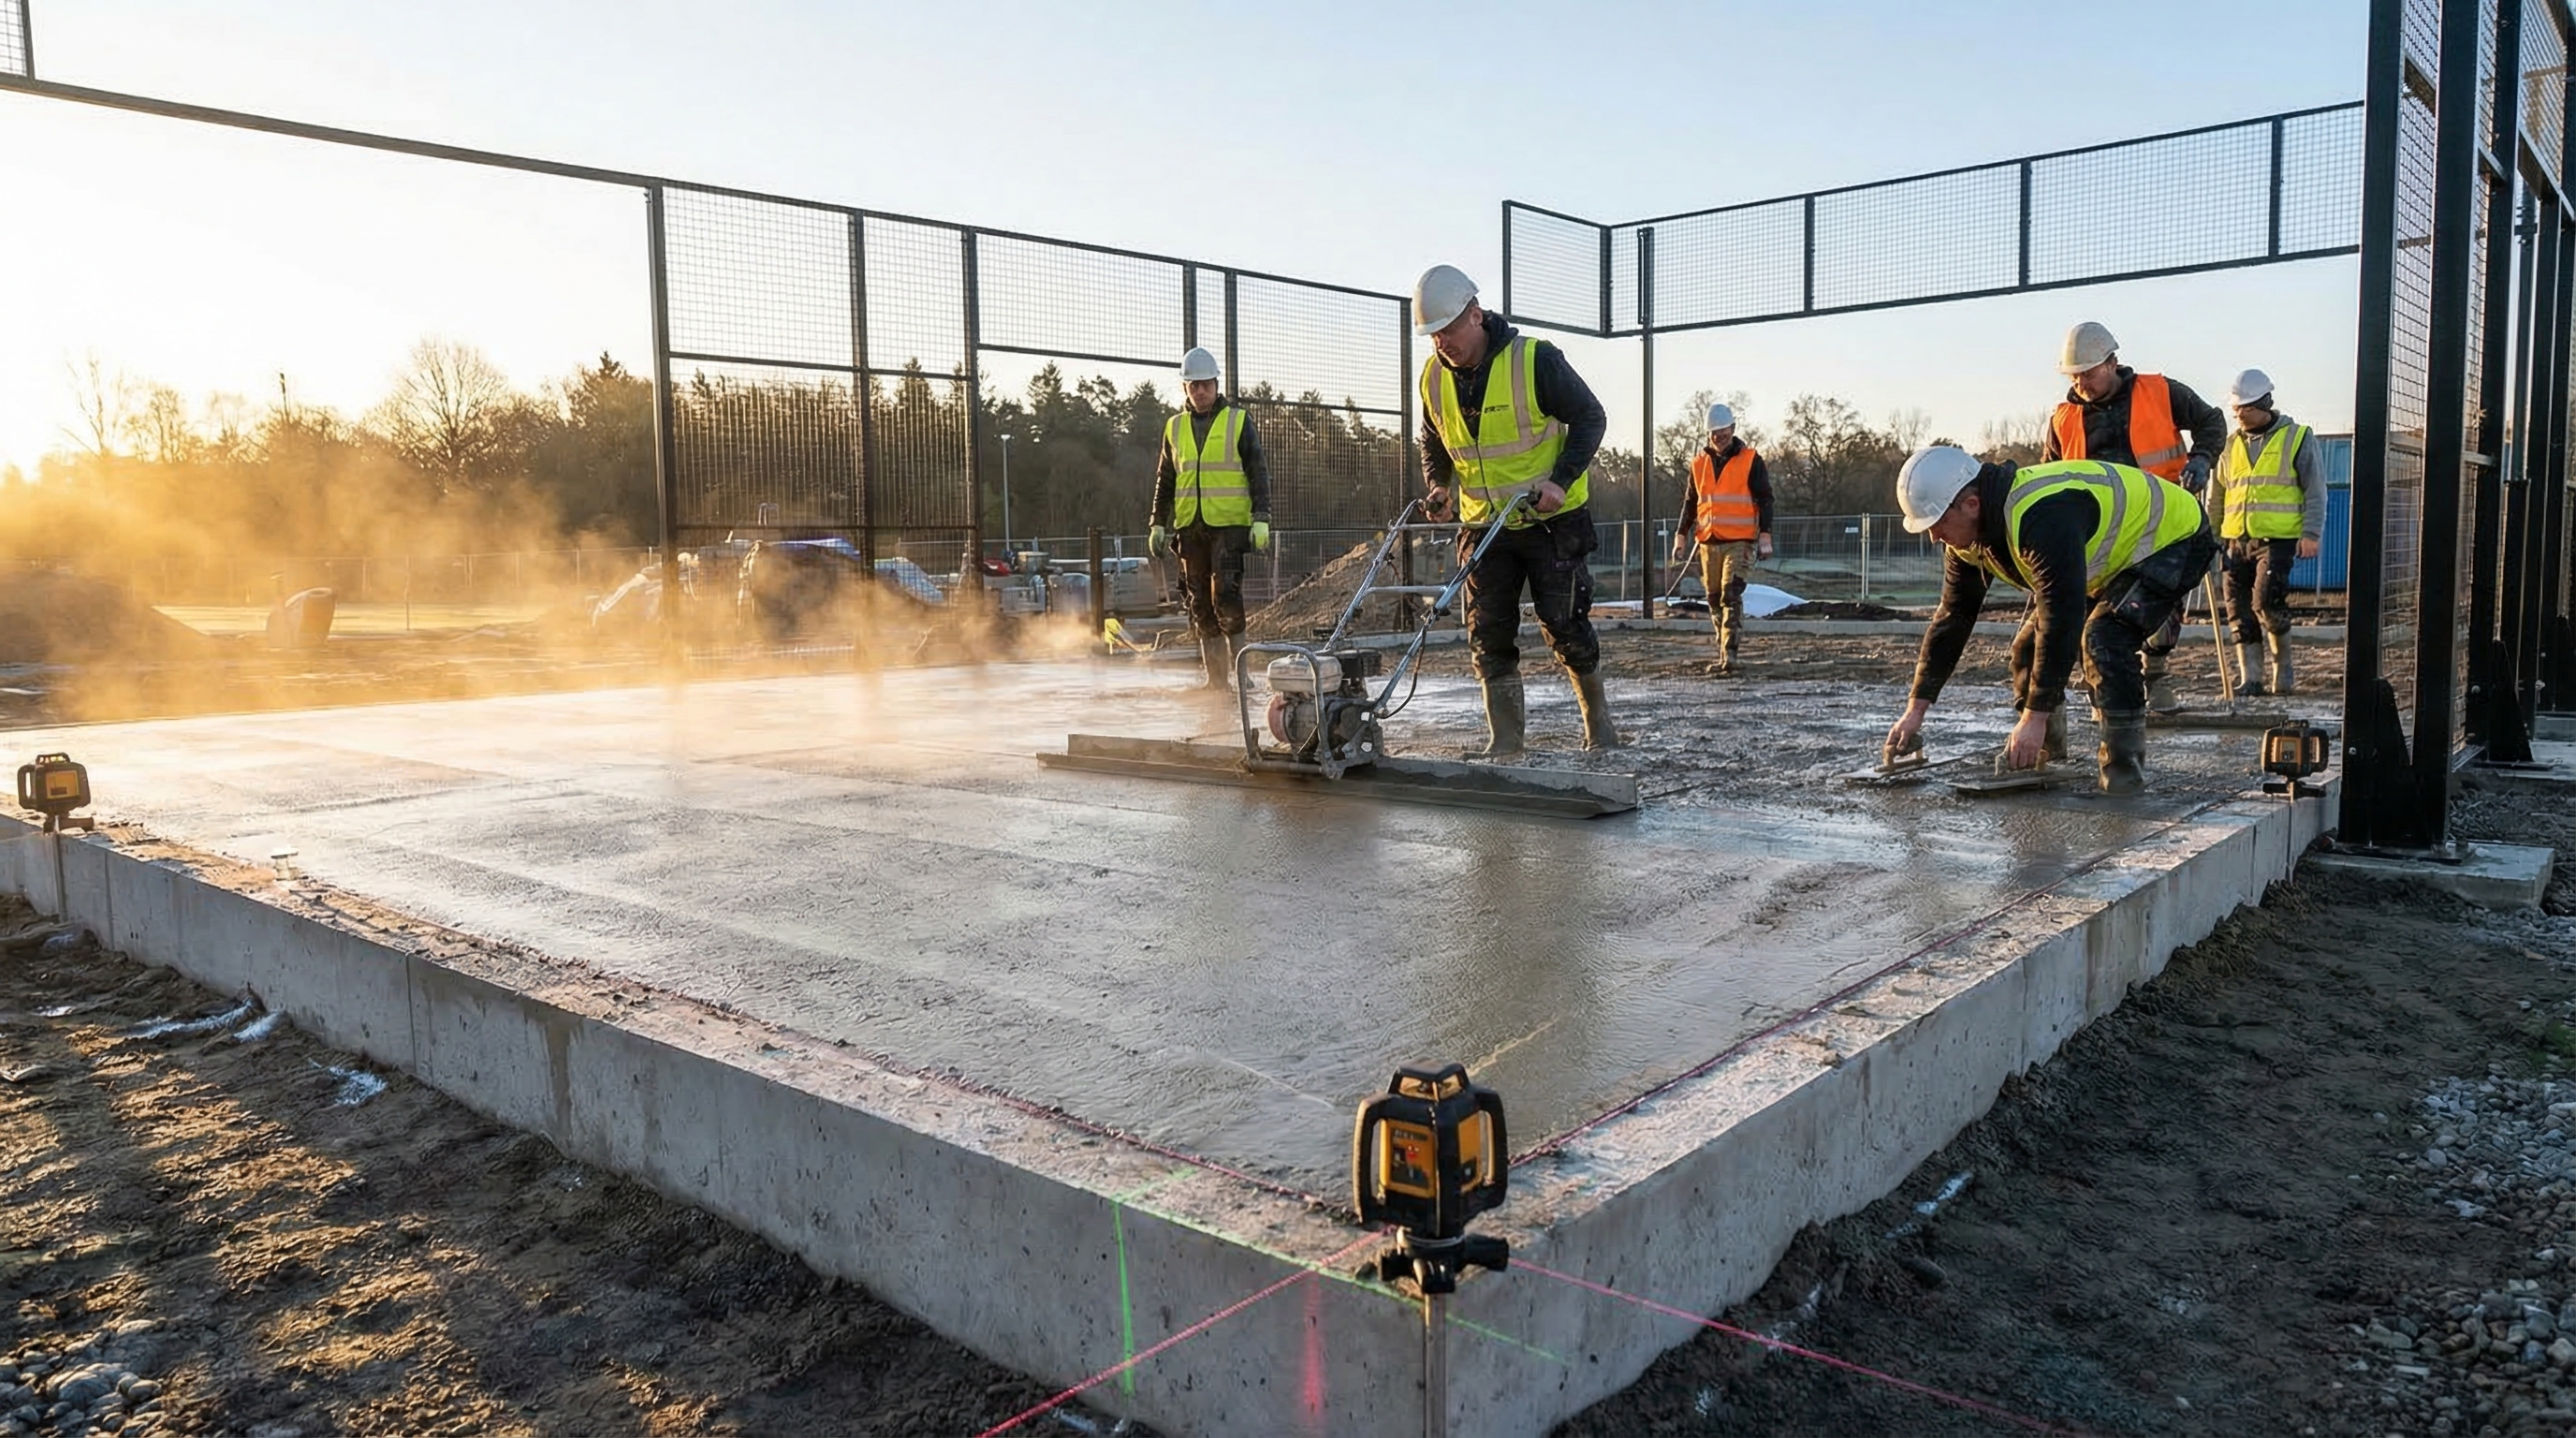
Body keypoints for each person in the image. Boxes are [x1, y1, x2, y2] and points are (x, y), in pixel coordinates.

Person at [1886, 446, 2217, 795]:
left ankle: (2123, 777)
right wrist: (1916, 709)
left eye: (1937, 524)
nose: (1934, 537)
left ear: (1971, 505)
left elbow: (2062, 614)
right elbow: (1953, 617)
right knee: (2028, 649)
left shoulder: (2041, 514)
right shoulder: (1967, 539)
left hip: (2174, 537)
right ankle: (2047, 756)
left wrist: (2033, 717)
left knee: (2104, 639)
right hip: (2110, 555)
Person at [1412, 263, 1616, 756]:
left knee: (1564, 624)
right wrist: (1439, 485)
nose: (1443, 343)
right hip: (1484, 526)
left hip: (1550, 521)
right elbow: (1433, 441)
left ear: (1476, 316)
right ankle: (1505, 742)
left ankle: (1600, 727)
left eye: (1449, 330)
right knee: (1487, 632)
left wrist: (1560, 481)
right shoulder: (1433, 379)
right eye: (1434, 335)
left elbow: (1591, 417)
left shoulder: (1536, 361)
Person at [2043, 321, 2227, 712]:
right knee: (2095, 618)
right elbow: (2049, 476)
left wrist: (2202, 459)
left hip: (2161, 525)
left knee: (2159, 606)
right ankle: (2105, 694)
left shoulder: (2160, 392)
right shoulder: (2063, 419)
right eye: (2074, 377)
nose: (2081, 384)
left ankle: (2156, 676)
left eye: (2088, 374)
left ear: (2112, 362)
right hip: (2099, 535)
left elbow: (2212, 421)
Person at [1147, 346, 1271, 688]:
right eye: (1193, 385)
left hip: (1229, 525)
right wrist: (1157, 522)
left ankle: (1241, 675)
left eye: (1206, 384)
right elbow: (1166, 478)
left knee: (1226, 596)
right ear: (1185, 387)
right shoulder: (1174, 428)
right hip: (1189, 528)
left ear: (1216, 384)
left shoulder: (1238, 420)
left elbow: (1258, 471)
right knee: (1198, 600)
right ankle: (1215, 679)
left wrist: (1261, 516)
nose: (1200, 391)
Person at [2210, 368, 2324, 696]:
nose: (2239, 416)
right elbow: (2218, 494)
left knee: (2266, 601)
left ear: (2264, 404)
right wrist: (2213, 536)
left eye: (2245, 409)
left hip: (2277, 540)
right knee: (2237, 610)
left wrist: (2311, 533)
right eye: (2236, 410)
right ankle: (2252, 678)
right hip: (2235, 541)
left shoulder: (2297, 437)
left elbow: (2315, 490)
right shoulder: (2230, 445)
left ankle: (2283, 669)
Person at [1668, 403, 1774, 675]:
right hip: (1709, 541)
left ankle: (1731, 654)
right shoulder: (1698, 464)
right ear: (1708, 434)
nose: (1718, 436)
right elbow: (1690, 503)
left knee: (1731, 592)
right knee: (1714, 598)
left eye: (1723, 431)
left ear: (1733, 429)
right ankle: (1722, 651)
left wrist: (1765, 535)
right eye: (1714, 432)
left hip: (1740, 541)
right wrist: (1681, 536)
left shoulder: (1751, 459)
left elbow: (1765, 499)